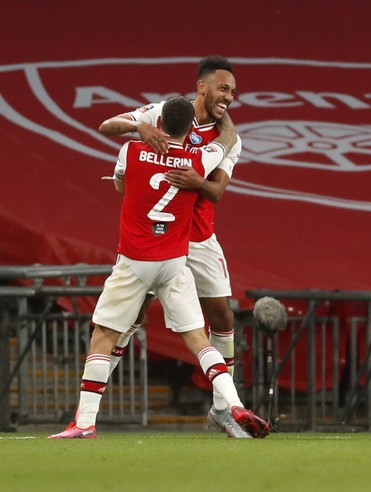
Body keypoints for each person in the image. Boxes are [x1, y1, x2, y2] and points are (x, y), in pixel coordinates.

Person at [50, 97, 268, 439]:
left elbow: (121, 183)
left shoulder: (132, 151)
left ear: (159, 120)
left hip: (135, 263)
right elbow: (224, 146)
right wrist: (227, 125)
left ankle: (85, 422)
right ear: (189, 127)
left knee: (105, 334)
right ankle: (235, 403)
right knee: (198, 338)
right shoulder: (199, 157)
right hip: (173, 263)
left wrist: (140, 141)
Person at [97, 56, 246, 437]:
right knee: (129, 320)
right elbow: (109, 126)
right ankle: (89, 410)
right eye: (223, 88)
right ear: (202, 86)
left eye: (232, 91)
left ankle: (222, 409)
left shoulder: (231, 138)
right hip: (157, 237)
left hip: (198, 237)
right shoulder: (165, 113)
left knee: (223, 317)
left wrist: (197, 181)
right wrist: (141, 128)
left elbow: (216, 191)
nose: (229, 96)